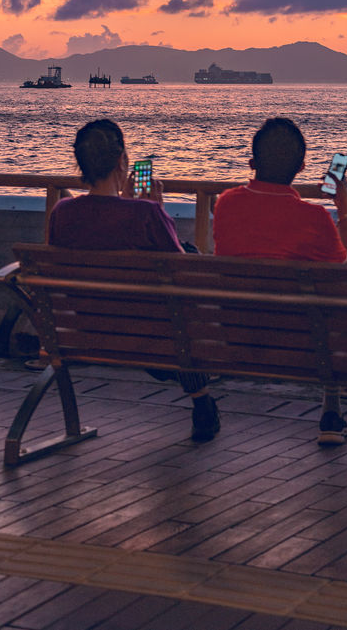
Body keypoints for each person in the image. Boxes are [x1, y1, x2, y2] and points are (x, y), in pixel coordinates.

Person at [48, 118, 219, 443]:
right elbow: (180, 276)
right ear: (123, 162)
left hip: (84, 331)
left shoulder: (62, 211)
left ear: (80, 164)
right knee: (190, 266)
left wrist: (130, 204)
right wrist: (154, 209)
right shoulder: (145, 215)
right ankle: (202, 401)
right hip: (150, 334)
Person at [213, 116, 347, 445]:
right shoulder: (315, 218)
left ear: (252, 163)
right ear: (302, 166)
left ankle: (333, 409)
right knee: (334, 307)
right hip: (303, 346)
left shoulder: (225, 204)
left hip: (234, 336)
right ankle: (332, 410)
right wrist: (345, 206)